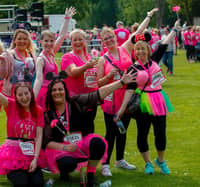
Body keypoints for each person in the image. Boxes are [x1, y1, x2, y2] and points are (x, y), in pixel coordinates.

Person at [42, 71, 136, 186]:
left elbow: (97, 94)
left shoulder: (75, 102)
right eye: (54, 90)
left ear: (65, 91)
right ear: (50, 94)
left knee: (98, 143)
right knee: (67, 162)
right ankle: (64, 173)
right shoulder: (48, 114)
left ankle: (90, 174)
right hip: (60, 149)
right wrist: (65, 147)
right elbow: (47, 142)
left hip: (80, 143)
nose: (58, 92)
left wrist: (121, 82)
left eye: (60, 89)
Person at [97, 8, 159, 176]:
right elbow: (98, 83)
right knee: (110, 132)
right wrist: (108, 76)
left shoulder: (125, 48)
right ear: (102, 42)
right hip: (111, 99)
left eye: (111, 37)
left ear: (115, 37)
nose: (109, 40)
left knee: (122, 129)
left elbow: (139, 32)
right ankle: (105, 164)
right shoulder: (103, 59)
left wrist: (148, 16)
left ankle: (120, 160)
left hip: (127, 96)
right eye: (105, 39)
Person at [115, 31, 176, 175]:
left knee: (160, 133)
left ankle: (161, 161)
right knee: (143, 133)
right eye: (138, 49)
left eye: (143, 48)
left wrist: (175, 30)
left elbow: (163, 45)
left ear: (148, 49)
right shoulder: (132, 69)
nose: (141, 51)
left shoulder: (154, 59)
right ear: (135, 52)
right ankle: (148, 163)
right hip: (143, 102)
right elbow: (129, 91)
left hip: (159, 100)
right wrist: (121, 110)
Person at [33, 7, 76, 109]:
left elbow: (61, 36)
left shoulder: (51, 53)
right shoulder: (41, 59)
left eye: (51, 41)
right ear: (41, 42)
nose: (49, 43)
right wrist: (33, 99)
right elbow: (38, 79)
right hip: (44, 94)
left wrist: (66, 19)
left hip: (53, 92)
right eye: (46, 41)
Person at [61, 29, 98, 135]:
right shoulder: (67, 57)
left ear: (85, 40)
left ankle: (87, 151)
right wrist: (86, 66)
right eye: (75, 40)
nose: (77, 42)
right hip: (76, 102)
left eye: (80, 39)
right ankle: (76, 152)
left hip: (91, 100)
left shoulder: (88, 57)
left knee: (89, 130)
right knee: (76, 132)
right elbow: (72, 72)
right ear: (71, 42)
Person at [0, 29, 36, 97]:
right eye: (19, 39)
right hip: (14, 89)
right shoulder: (8, 55)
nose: (22, 41)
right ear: (14, 40)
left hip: (29, 89)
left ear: (28, 41)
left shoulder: (31, 54)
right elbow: (1, 75)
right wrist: (2, 62)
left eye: (25, 39)